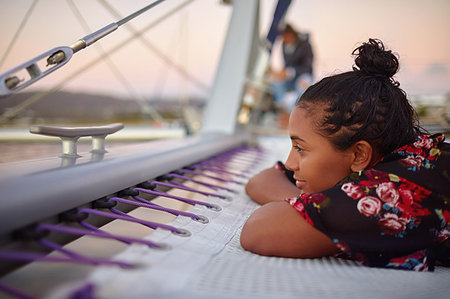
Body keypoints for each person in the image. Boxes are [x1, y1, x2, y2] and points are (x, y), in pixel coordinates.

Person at [241, 38, 449, 271]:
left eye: (300, 148)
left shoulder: (390, 194)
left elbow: (259, 230)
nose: (291, 163)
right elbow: (261, 180)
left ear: (359, 154)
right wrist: (313, 205)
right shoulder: (405, 156)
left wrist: (312, 207)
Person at [269, 24, 314, 116]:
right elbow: (287, 64)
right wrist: (281, 73)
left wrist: (290, 72)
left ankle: (298, 112)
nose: (283, 39)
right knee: (275, 81)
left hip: (303, 75)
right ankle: (282, 107)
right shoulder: (284, 45)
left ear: (291, 34)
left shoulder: (305, 45)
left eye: (285, 37)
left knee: (303, 84)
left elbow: (307, 67)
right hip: (290, 78)